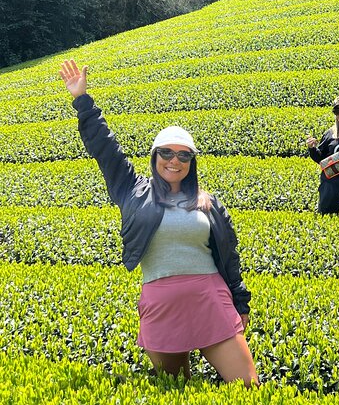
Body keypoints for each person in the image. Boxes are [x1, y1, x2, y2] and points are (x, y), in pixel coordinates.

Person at [58, 60, 258, 385]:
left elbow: (229, 256)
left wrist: (240, 301)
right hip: (161, 303)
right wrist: (82, 100)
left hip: (211, 298)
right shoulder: (131, 190)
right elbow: (105, 149)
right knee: (175, 386)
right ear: (154, 157)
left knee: (248, 385)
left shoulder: (208, 202)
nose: (174, 161)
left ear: (192, 162)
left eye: (184, 155)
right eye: (166, 153)